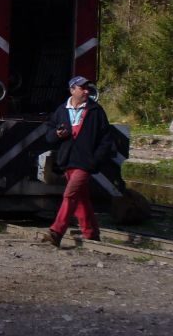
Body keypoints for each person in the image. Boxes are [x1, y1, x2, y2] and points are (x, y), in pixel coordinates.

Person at [40, 76, 114, 247]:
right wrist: (57, 135)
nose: (87, 91)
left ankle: (56, 232)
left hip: (85, 163)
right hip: (68, 162)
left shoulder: (96, 111)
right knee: (81, 199)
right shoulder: (61, 111)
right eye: (83, 88)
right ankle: (92, 233)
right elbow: (49, 136)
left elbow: (106, 139)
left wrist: (95, 160)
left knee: (70, 194)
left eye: (87, 88)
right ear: (72, 90)